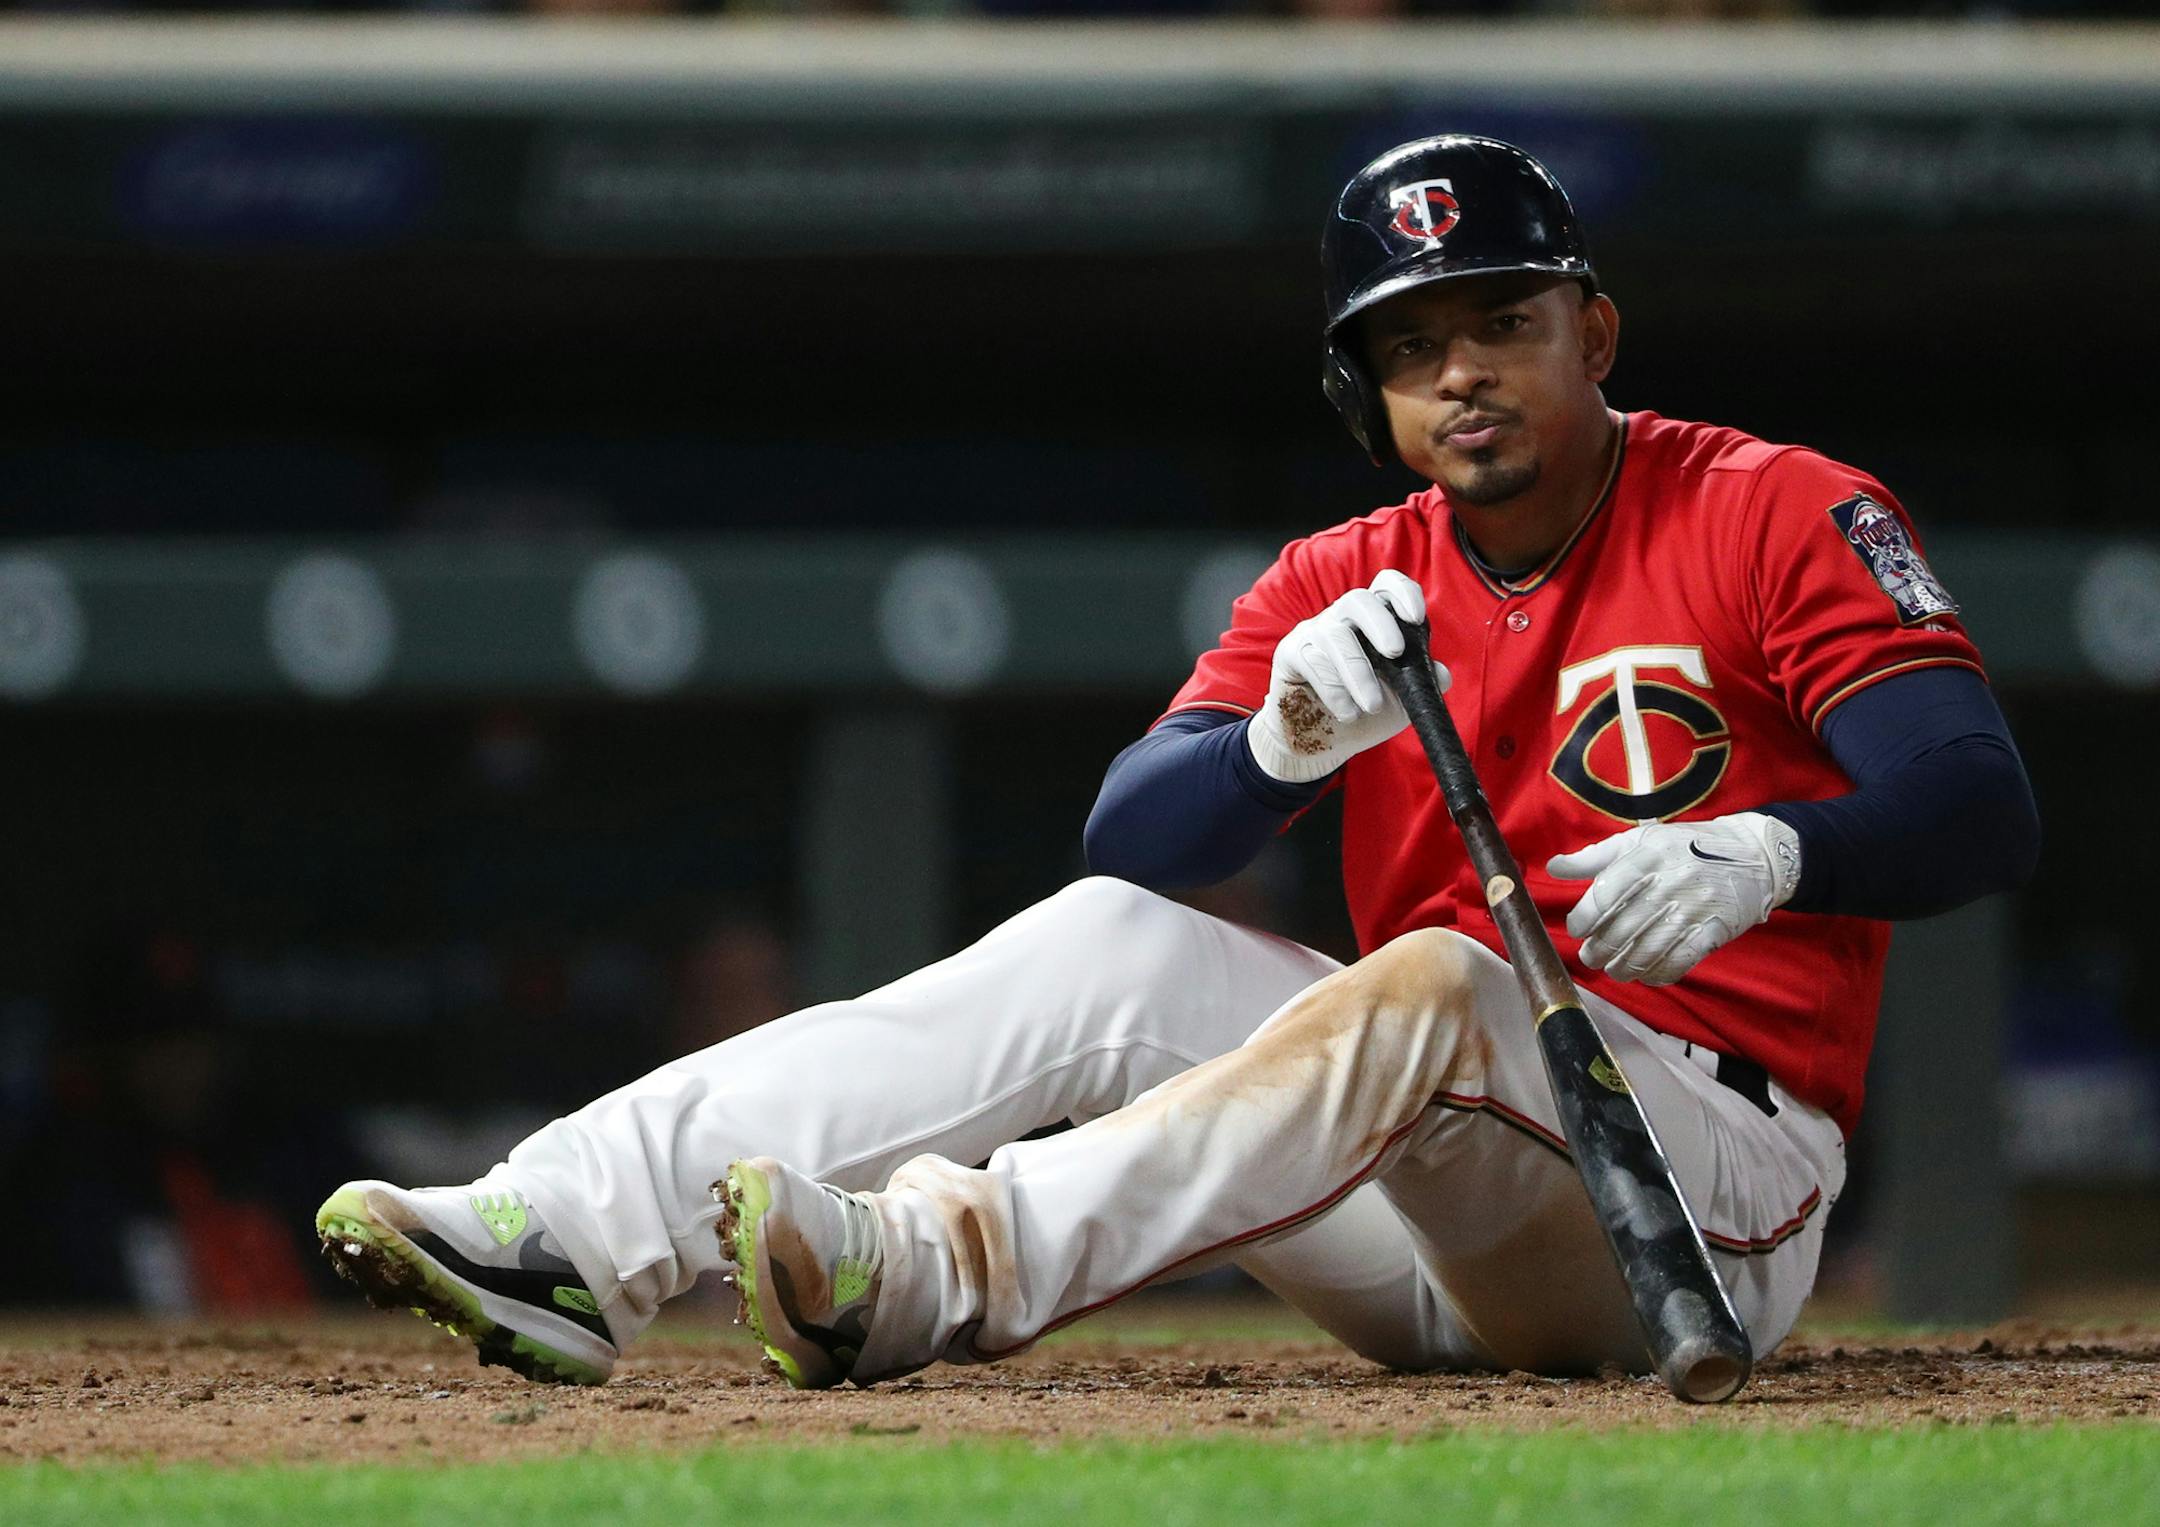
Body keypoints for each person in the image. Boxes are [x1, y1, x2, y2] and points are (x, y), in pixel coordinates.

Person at [317, 136, 2038, 1391]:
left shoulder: (1773, 507)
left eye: (1498, 321)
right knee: (1115, 942)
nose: (1458, 373)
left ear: (1594, 333)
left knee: (1428, 979)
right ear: (1367, 389)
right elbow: (1135, 832)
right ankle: (558, 1227)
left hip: (1704, 1192)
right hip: (1421, 1184)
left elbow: (1978, 801)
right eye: (1408, 345)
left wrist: (1771, 856)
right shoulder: (1346, 574)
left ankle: (924, 1270)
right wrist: (1284, 737)